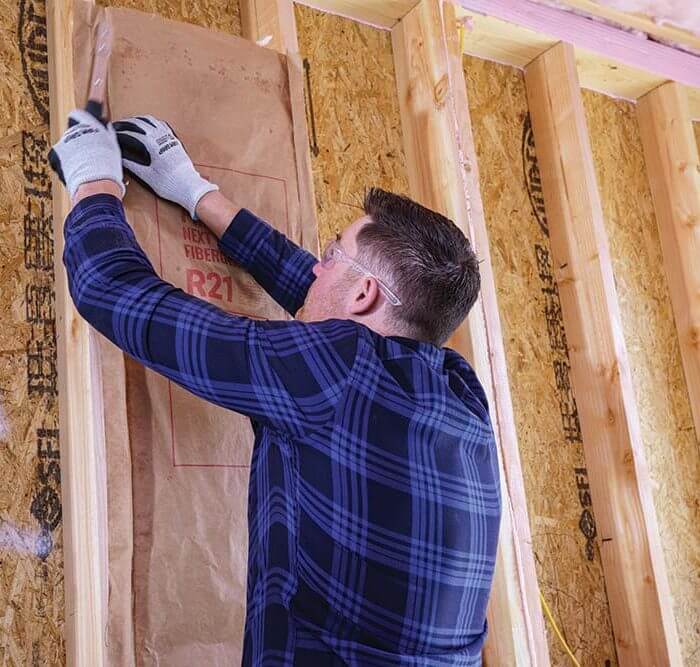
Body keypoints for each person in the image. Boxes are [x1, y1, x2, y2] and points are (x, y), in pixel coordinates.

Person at [49, 110, 501, 666]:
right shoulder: (462, 393)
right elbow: (324, 298)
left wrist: (93, 179)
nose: (317, 267)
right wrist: (195, 192)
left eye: (333, 254)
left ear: (363, 295)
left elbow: (114, 291)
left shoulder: (338, 369)